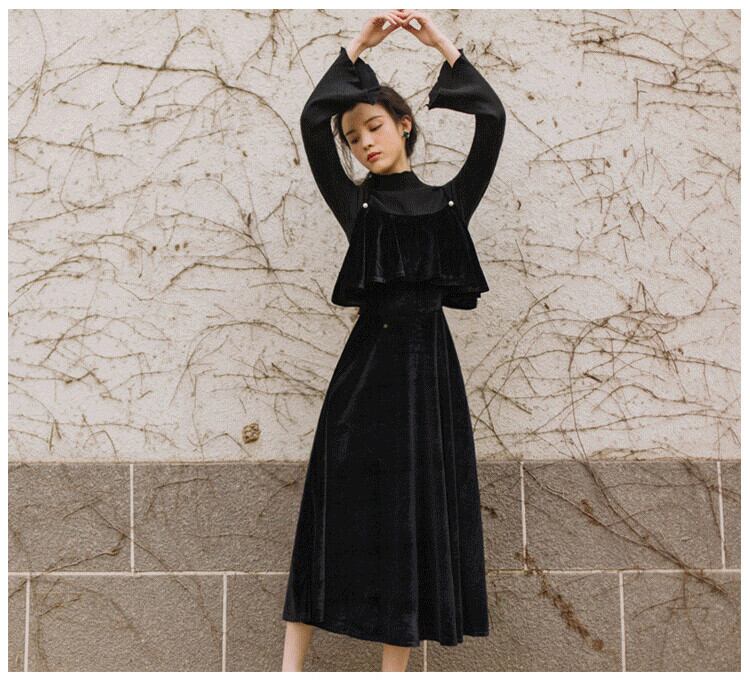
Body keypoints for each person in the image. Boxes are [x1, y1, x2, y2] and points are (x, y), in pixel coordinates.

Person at [281, 9, 506, 672]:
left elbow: (492, 121)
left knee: (412, 519)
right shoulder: (359, 205)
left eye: (374, 127)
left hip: (430, 380)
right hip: (364, 379)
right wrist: (357, 48)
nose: (364, 144)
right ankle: (287, 672)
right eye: (353, 137)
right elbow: (312, 126)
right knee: (331, 512)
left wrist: (442, 46)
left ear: (404, 124)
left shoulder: (451, 203)